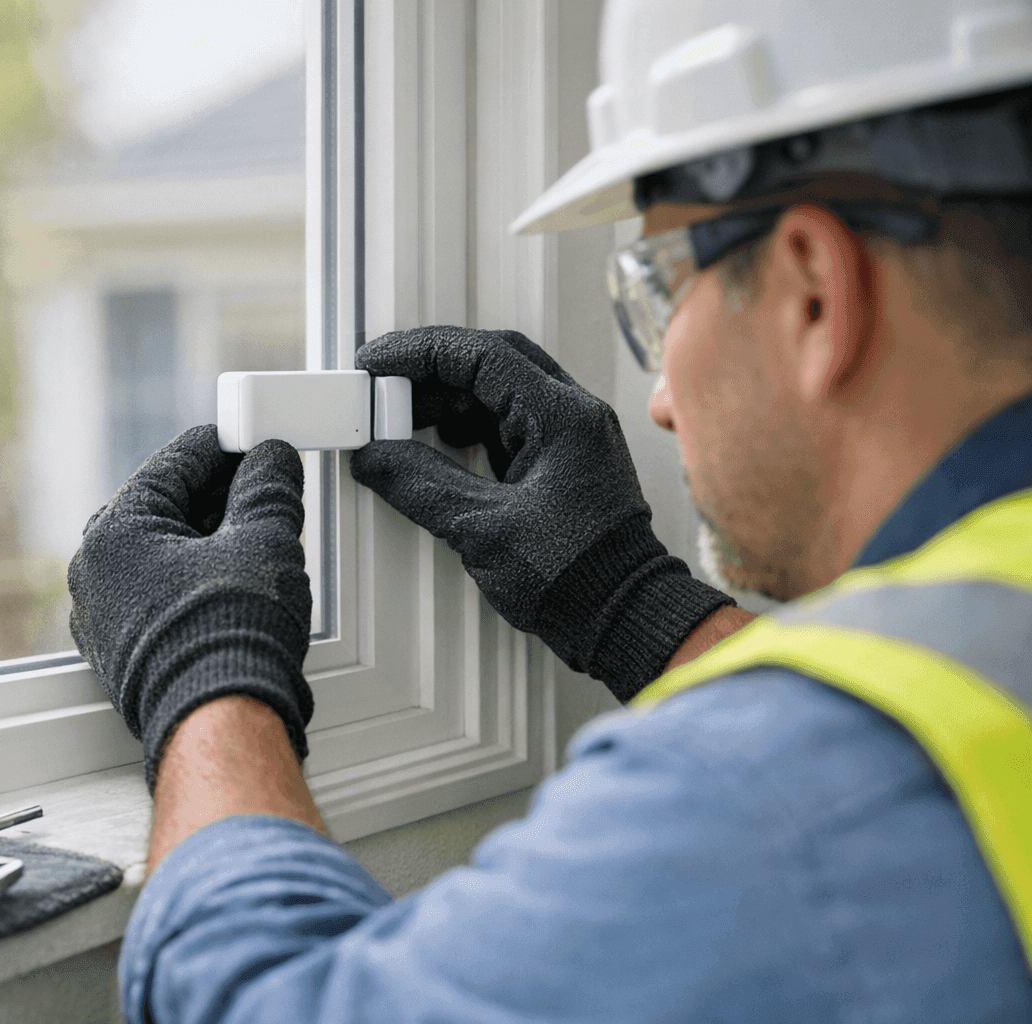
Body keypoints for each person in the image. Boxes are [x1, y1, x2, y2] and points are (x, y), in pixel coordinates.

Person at [66, 0, 1032, 1019]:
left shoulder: (765, 793)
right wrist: (634, 604)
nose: (657, 397)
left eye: (657, 294)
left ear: (812, 296)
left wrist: (201, 676)